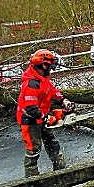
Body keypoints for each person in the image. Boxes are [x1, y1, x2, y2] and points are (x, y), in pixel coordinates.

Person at [16, 49, 74, 177]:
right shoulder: (31, 83)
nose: (51, 69)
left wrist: (63, 100)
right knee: (34, 149)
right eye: (50, 66)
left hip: (41, 117)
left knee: (52, 143)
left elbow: (52, 91)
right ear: (44, 65)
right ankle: (33, 180)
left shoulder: (43, 78)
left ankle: (60, 170)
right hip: (30, 120)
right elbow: (30, 108)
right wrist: (46, 117)